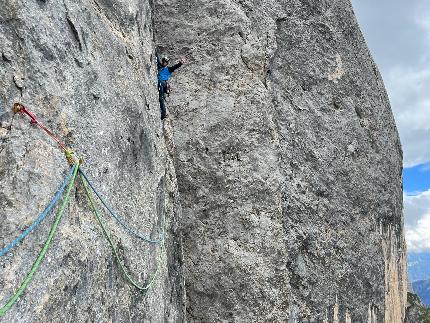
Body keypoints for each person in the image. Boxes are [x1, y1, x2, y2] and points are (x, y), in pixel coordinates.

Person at [157, 54, 185, 120]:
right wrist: (155, 53)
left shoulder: (169, 69)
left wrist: (180, 63)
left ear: (167, 63)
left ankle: (163, 114)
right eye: (164, 61)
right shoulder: (159, 66)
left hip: (163, 83)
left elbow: (175, 67)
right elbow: (157, 60)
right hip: (161, 83)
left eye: (166, 62)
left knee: (161, 94)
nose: (164, 63)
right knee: (161, 99)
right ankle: (163, 114)